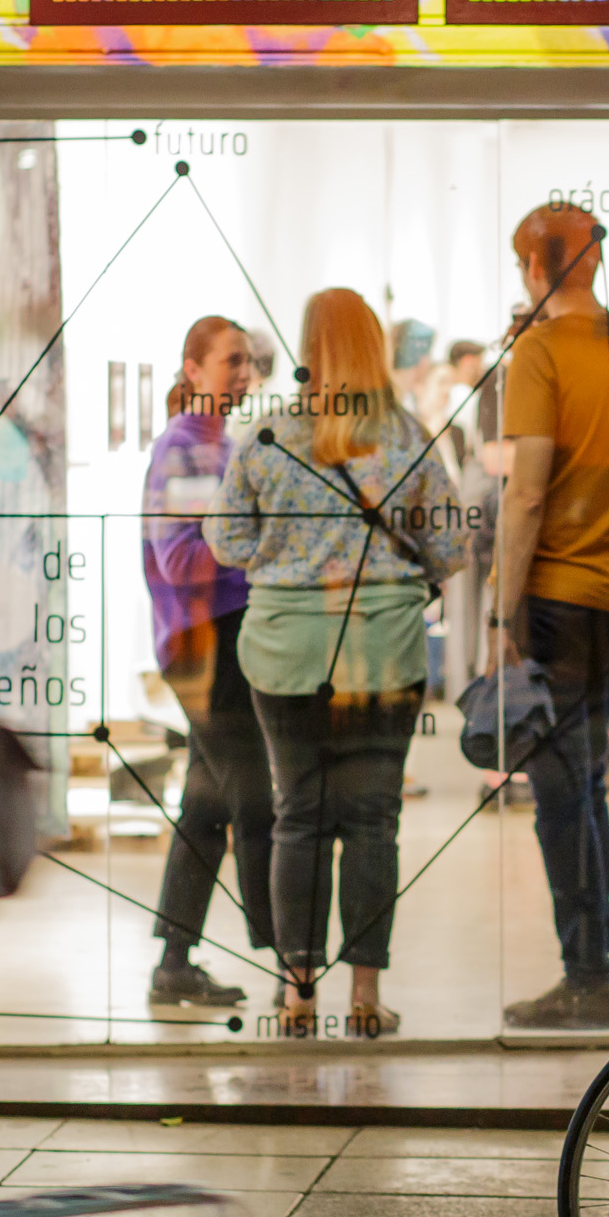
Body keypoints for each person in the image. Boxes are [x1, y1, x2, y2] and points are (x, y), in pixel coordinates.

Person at [208, 288, 468, 1038]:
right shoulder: (408, 434)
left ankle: (296, 997)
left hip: (285, 651)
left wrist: (283, 560)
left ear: (308, 346)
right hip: (381, 652)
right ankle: (363, 996)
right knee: (373, 821)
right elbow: (451, 547)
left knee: (299, 817)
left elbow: (226, 539)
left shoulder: (268, 435)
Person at [493, 203, 609, 1029]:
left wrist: (503, 604)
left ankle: (584, 977)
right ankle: (595, 965)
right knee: (587, 779)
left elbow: (528, 489)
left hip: (559, 594)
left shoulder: (537, 350)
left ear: (537, 267)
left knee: (560, 790)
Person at [141, 315, 276, 1007]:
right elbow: (183, 557)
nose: (243, 374)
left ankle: (173, 962)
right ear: (192, 368)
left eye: (248, 362)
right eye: (230, 361)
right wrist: (260, 549)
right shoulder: (186, 449)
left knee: (206, 804)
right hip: (204, 643)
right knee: (255, 797)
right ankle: (290, 955)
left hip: (219, 638)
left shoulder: (220, 444)